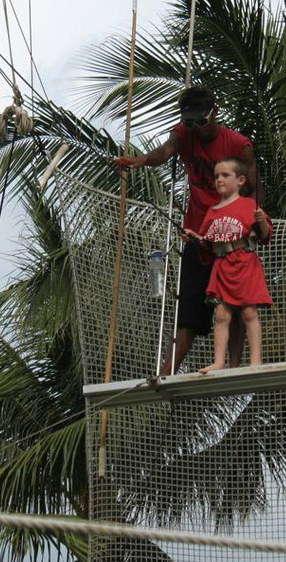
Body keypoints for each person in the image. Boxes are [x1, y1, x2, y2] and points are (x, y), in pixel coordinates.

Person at [114, 85, 258, 374]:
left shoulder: (238, 145)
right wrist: (140, 161)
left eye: (201, 122)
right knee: (189, 309)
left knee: (236, 303)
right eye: (190, 123)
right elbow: (163, 152)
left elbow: (254, 191)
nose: (197, 129)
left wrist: (249, 227)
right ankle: (168, 370)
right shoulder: (184, 135)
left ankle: (234, 364)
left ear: (214, 113)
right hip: (196, 234)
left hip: (229, 236)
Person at [184, 158, 273, 372]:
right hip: (222, 266)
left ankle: (255, 360)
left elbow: (266, 234)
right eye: (216, 176)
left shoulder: (249, 205)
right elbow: (207, 243)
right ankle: (219, 361)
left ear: (241, 180)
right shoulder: (213, 211)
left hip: (245, 263)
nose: (219, 180)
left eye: (225, 175)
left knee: (249, 312)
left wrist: (260, 219)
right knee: (222, 315)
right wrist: (194, 237)